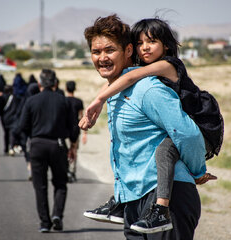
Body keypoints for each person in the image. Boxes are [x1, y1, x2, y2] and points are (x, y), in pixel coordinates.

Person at [81, 18, 222, 234]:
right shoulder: (118, 89)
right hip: (134, 200)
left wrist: (197, 171)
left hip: (168, 197)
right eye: (96, 52)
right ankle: (118, 202)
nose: (102, 58)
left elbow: (188, 135)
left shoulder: (148, 88)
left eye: (109, 50)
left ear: (128, 51)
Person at [17, 69, 78, 233]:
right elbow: (73, 127)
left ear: (39, 84)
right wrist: (72, 146)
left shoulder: (31, 101)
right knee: (60, 183)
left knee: (40, 186)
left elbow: (21, 126)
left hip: (37, 145)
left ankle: (45, 222)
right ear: (55, 83)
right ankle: (57, 215)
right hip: (58, 145)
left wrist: (32, 137)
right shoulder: (64, 101)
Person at [65, 80, 87, 182]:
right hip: (75, 129)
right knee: (74, 150)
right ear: (75, 88)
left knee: (65, 151)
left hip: (64, 129)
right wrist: (84, 133)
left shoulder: (63, 100)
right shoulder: (79, 101)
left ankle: (66, 171)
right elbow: (81, 117)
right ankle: (73, 171)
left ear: (66, 88)